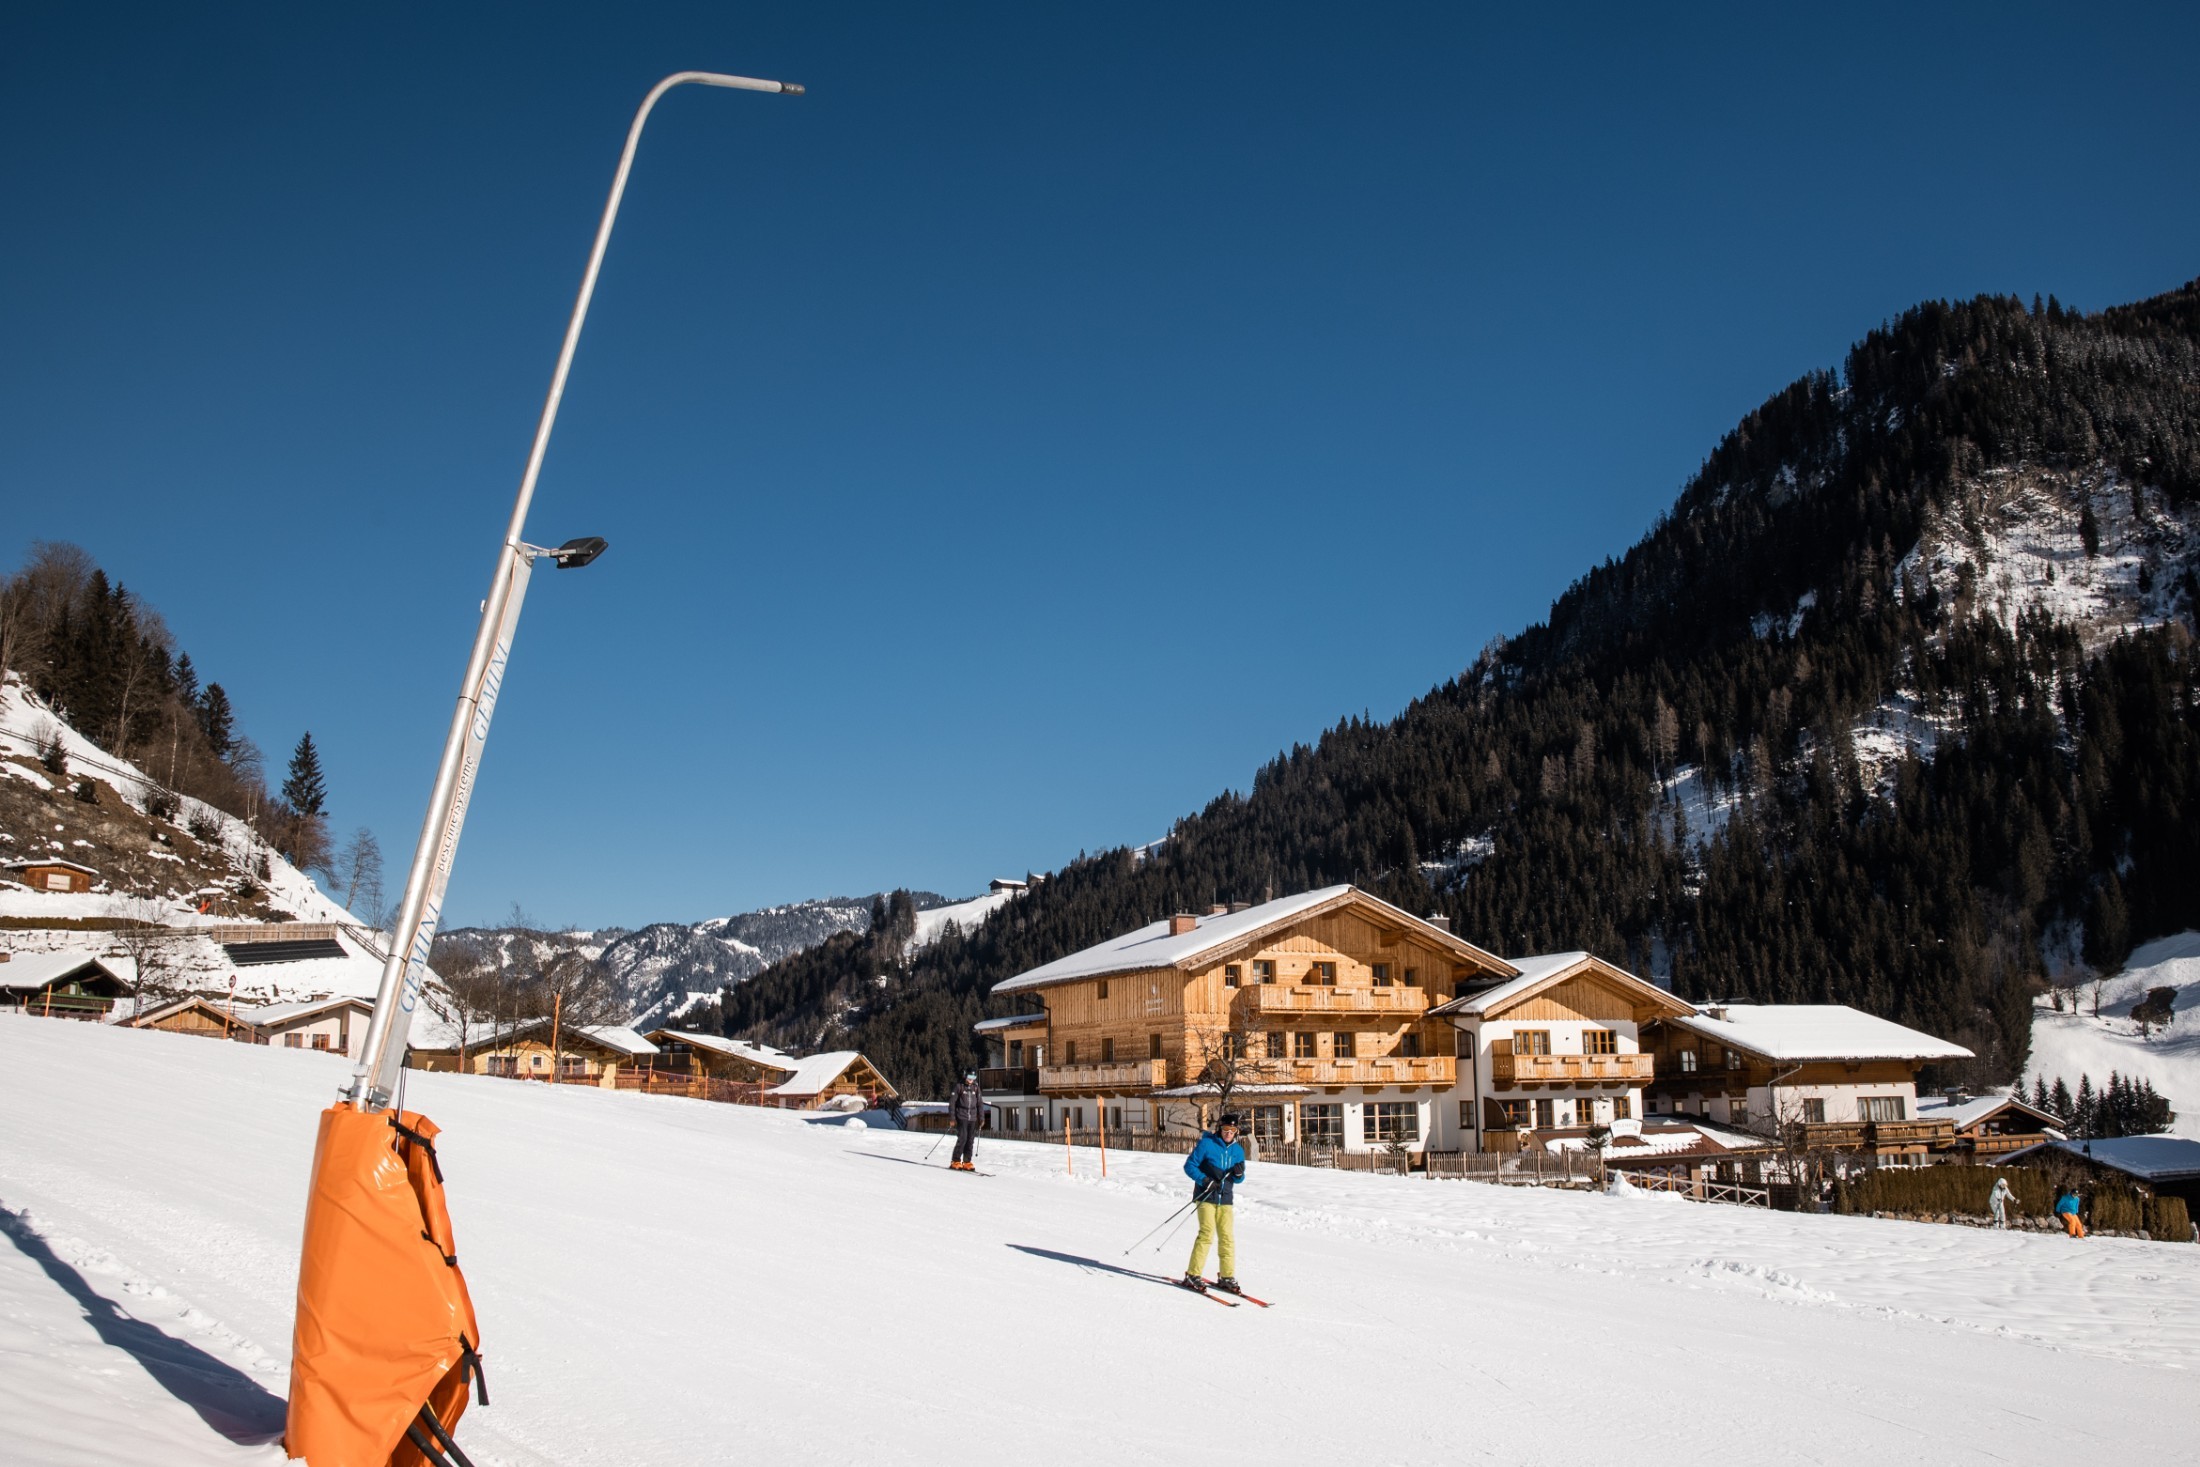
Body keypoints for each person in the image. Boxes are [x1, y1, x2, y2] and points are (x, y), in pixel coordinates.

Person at [1182, 1112, 1249, 1294]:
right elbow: (1189, 1166)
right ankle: (1193, 1274)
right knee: (1207, 1233)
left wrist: (1238, 1174)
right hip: (1206, 1196)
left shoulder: (1238, 1151)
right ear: (1220, 1128)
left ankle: (1227, 1277)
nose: (1229, 1133)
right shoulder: (1207, 1144)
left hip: (1225, 1198)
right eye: (1226, 1129)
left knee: (1227, 1237)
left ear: (1237, 1131)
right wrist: (1205, 1180)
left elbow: (1239, 1179)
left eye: (1232, 1130)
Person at [947, 1071, 985, 1172]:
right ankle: (955, 1161)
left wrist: (981, 1118)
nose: (971, 1079)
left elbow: (980, 1104)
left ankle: (967, 1162)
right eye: (969, 1077)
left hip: (972, 1118)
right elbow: (952, 1103)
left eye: (973, 1077)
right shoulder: (959, 1087)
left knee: (970, 1140)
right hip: (961, 1116)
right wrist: (952, 1118)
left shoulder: (976, 1088)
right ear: (965, 1076)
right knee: (963, 1138)